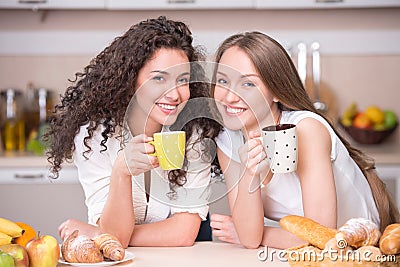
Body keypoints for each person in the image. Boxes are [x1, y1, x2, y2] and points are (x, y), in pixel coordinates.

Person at [209, 31, 399, 249]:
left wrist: (265, 234)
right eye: (222, 80)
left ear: (276, 92)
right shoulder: (227, 141)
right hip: (305, 255)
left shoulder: (306, 130)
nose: (229, 97)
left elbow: (322, 238)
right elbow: (249, 238)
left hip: (361, 252)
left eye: (248, 84)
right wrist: (248, 172)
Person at [45, 16, 222, 248]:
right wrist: (122, 171)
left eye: (183, 80)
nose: (175, 94)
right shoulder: (94, 137)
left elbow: (183, 234)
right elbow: (115, 240)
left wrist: (99, 233)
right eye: (159, 78)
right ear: (131, 80)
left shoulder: (194, 132)